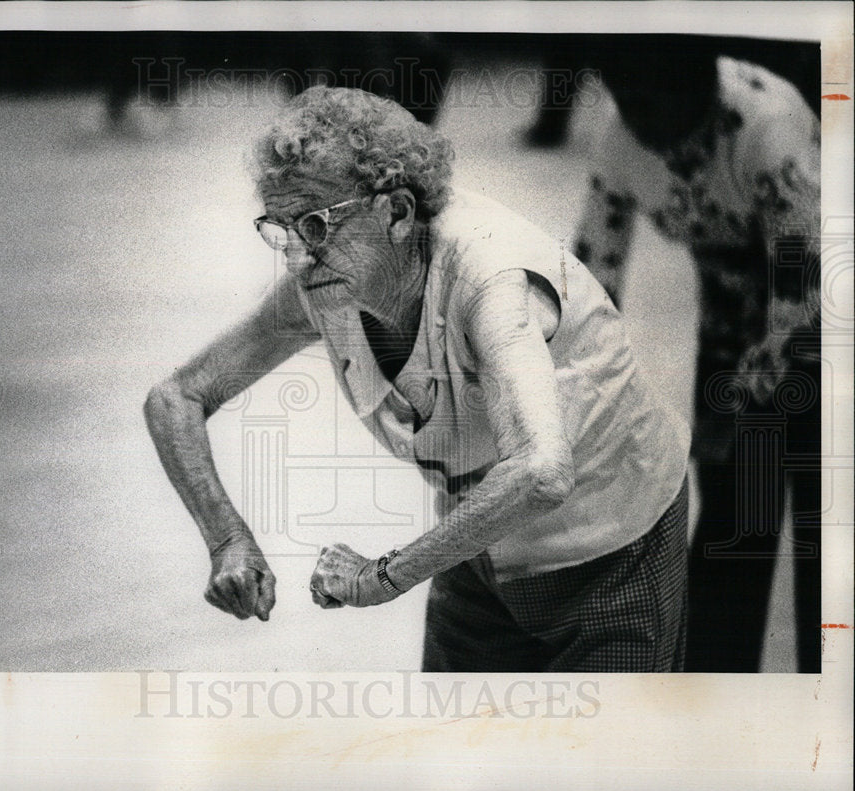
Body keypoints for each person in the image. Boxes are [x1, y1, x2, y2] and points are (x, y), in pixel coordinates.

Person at [145, 86, 691, 672]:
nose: (297, 261)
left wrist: (383, 577)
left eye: (315, 226)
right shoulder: (326, 285)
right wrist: (227, 539)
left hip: (613, 542)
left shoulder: (489, 277)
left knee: (604, 758)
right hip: (482, 544)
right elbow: (177, 396)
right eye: (281, 230)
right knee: (454, 749)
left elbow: (540, 471)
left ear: (398, 212)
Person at [572, 45, 821, 672]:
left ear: (703, 92)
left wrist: (759, 393)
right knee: (735, 520)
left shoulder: (767, 126)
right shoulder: (620, 132)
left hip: (823, 302)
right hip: (732, 309)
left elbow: (807, 280)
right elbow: (591, 277)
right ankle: (715, 694)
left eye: (659, 106)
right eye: (630, 105)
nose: (644, 126)